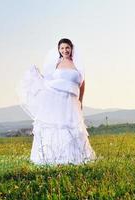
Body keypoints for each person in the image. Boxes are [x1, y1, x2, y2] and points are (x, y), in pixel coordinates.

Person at [17, 38, 97, 166]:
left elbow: (82, 84)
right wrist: (37, 76)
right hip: (56, 99)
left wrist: (81, 100)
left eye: (67, 48)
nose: (65, 50)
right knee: (57, 126)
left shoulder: (77, 64)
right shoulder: (56, 63)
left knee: (72, 126)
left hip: (71, 101)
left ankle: (75, 157)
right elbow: (47, 81)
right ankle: (52, 156)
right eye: (62, 48)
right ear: (59, 50)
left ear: (71, 49)